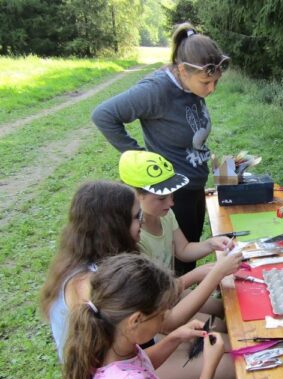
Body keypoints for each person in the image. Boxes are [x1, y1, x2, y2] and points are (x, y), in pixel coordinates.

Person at [40, 181, 239, 379]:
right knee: (231, 365)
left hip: (131, 356)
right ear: (113, 226)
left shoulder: (91, 260)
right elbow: (168, 321)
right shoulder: (93, 282)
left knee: (226, 344)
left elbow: (161, 303)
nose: (142, 222)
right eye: (136, 217)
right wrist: (215, 275)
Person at [61, 253, 244, 379]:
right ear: (136, 320)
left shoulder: (110, 344)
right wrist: (209, 367)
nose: (166, 318)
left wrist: (174, 338)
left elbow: (143, 362)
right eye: (161, 313)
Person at [92, 22, 230, 275]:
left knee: (187, 259)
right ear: (182, 70)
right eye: (205, 82)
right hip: (173, 192)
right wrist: (140, 157)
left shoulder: (190, 85)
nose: (211, 90)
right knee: (176, 267)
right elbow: (104, 115)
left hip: (195, 187)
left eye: (215, 82)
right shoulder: (156, 90)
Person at [118, 149, 232, 317]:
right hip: (156, 309)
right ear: (136, 195)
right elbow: (156, 296)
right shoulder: (135, 238)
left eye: (172, 196)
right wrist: (197, 275)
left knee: (226, 310)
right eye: (162, 198)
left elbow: (183, 250)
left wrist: (211, 244)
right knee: (219, 325)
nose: (171, 203)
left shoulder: (165, 215)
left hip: (173, 293)